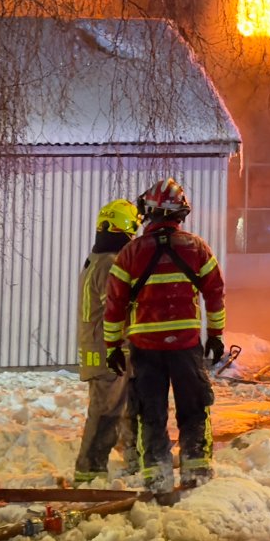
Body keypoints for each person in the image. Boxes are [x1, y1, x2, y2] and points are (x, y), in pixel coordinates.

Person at [102, 178, 227, 492]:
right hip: (185, 346)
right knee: (194, 408)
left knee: (151, 412)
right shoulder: (197, 248)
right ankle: (196, 473)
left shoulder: (130, 253)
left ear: (150, 211)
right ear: (179, 213)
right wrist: (214, 334)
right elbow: (215, 293)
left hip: (145, 348)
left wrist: (112, 346)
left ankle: (157, 475)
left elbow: (115, 304)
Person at [74, 197, 142, 483]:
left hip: (100, 349)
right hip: (107, 351)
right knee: (105, 410)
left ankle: (132, 458)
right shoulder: (111, 264)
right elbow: (118, 311)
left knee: (121, 406)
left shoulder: (98, 259)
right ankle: (89, 469)